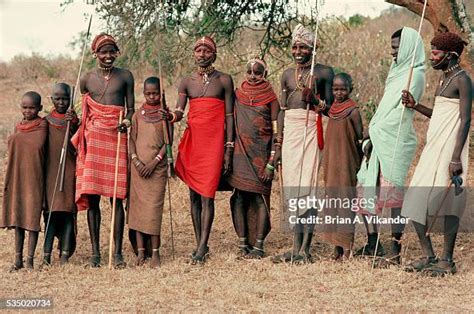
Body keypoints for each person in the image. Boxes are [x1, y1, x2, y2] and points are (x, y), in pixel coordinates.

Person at [401, 32, 472, 276]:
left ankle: (447, 261)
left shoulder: (463, 80)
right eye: (431, 51)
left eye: (435, 53)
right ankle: (428, 255)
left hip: (451, 150)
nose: (431, 57)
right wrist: (415, 106)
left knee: (448, 202)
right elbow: (441, 115)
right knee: (415, 199)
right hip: (433, 147)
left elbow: (464, 120)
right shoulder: (443, 79)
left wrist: (455, 158)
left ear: (451, 55)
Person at [354, 27, 425, 265]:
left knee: (393, 196)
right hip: (379, 135)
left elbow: (401, 113)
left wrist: (376, 131)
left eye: (396, 47)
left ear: (407, 48)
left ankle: (395, 249)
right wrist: (372, 131)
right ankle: (374, 241)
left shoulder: (415, 75)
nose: (392, 52)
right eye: (392, 47)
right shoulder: (396, 72)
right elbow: (386, 107)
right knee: (365, 186)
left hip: (395, 138)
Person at [162, 36, 234, 264]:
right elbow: (180, 111)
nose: (202, 54)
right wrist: (170, 116)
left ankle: (202, 245)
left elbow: (230, 116)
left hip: (214, 143)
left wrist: (229, 147)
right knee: (193, 194)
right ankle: (200, 243)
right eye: (198, 50)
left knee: (207, 196)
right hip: (194, 142)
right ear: (194, 54)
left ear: (214, 54)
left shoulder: (224, 80)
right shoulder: (187, 81)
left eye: (206, 51)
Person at [71, 33, 135, 268]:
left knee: (117, 199)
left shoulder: (126, 76)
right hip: (94, 139)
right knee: (94, 198)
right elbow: (85, 111)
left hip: (117, 137)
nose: (107, 56)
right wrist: (74, 118)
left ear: (117, 53)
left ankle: (117, 253)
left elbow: (131, 109)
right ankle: (96, 254)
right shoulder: (86, 79)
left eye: (111, 51)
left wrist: (126, 122)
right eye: (103, 52)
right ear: (95, 54)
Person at [272, 24, 334, 263]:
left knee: (307, 188)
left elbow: (332, 109)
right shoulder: (287, 74)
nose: (298, 51)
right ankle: (295, 247)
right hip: (291, 133)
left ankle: (305, 249)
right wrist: (278, 143)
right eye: (295, 47)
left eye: (303, 47)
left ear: (313, 48)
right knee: (293, 190)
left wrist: (315, 100)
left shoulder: (324, 73)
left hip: (311, 129)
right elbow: (282, 110)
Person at [226, 55, 280, 259]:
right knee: (239, 198)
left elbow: (276, 133)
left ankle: (258, 245)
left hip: (262, 157)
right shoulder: (237, 94)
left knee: (260, 199)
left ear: (265, 74)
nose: (253, 76)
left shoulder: (271, 99)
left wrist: (271, 163)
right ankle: (242, 244)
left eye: (258, 73)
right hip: (240, 154)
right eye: (249, 72)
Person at [1, 91, 48, 270]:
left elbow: (36, 145)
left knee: (32, 219)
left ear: (40, 108)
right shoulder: (18, 125)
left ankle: (30, 260)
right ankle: (18, 260)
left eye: (32, 108)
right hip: (17, 176)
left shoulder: (42, 125)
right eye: (24, 107)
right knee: (18, 217)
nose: (28, 111)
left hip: (35, 177)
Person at [128, 77, 171, 268]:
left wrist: (155, 162)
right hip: (138, 170)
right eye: (148, 93)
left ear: (160, 93)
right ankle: (141, 252)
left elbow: (167, 144)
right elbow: (131, 140)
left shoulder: (165, 115)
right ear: (143, 93)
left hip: (157, 169)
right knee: (137, 211)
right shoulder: (137, 115)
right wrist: (136, 161)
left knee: (153, 211)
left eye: (155, 93)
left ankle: (155, 253)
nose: (152, 96)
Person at [320, 73, 363, 260]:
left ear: (350, 89)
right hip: (331, 163)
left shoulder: (353, 110)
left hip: (347, 162)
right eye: (335, 89)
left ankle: (347, 247)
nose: (339, 93)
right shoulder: (333, 110)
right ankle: (335, 247)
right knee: (332, 202)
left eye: (343, 89)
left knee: (345, 201)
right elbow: (324, 109)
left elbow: (360, 137)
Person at [42, 83, 79, 266]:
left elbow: (79, 140)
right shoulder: (45, 121)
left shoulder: (72, 120)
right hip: (50, 174)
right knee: (50, 214)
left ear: (70, 100)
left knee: (67, 214)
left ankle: (64, 254)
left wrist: (73, 122)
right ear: (51, 100)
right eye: (57, 99)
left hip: (69, 172)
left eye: (65, 98)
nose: (61, 102)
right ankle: (46, 255)